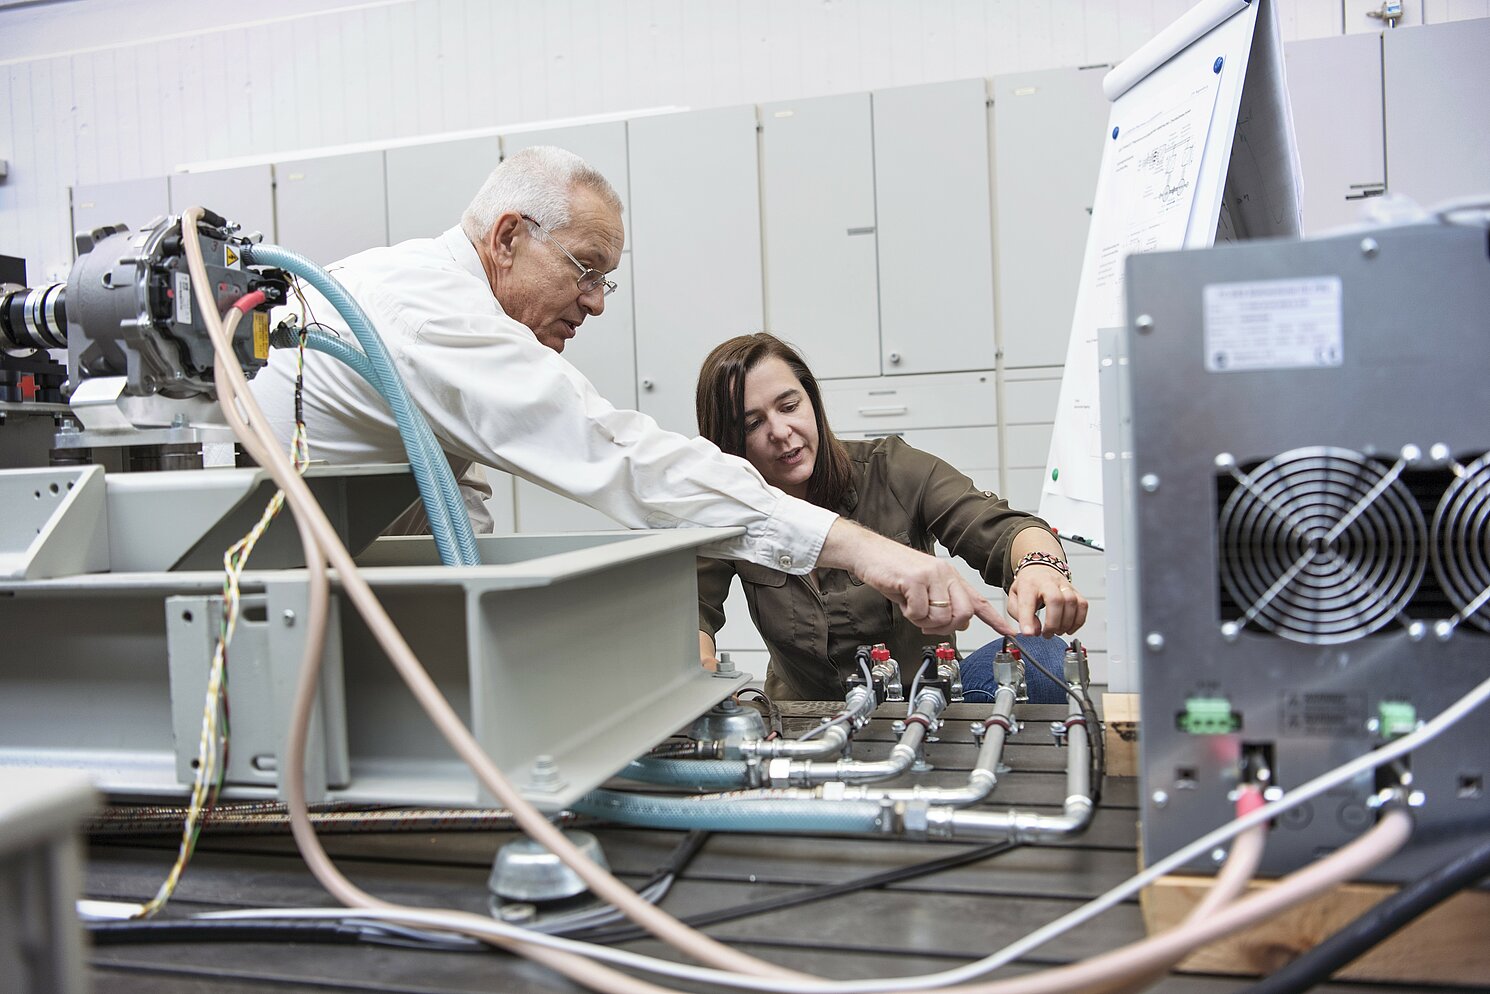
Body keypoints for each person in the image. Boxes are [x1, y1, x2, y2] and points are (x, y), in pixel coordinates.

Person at [249, 146, 1006, 638]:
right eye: (585, 269)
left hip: (298, 605)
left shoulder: (423, 299)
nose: (597, 302)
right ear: (509, 237)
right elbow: (619, 458)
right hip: (265, 617)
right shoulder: (431, 315)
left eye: (606, 279)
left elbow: (447, 511)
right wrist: (872, 554)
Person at [694, 333, 1088, 702]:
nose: (780, 431)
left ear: (811, 401)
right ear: (727, 442)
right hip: (806, 719)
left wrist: (1041, 566)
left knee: (1045, 659)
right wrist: (698, 673)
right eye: (753, 423)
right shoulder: (730, 510)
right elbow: (690, 611)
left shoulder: (893, 469)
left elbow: (1002, 527)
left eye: (789, 406)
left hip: (926, 705)